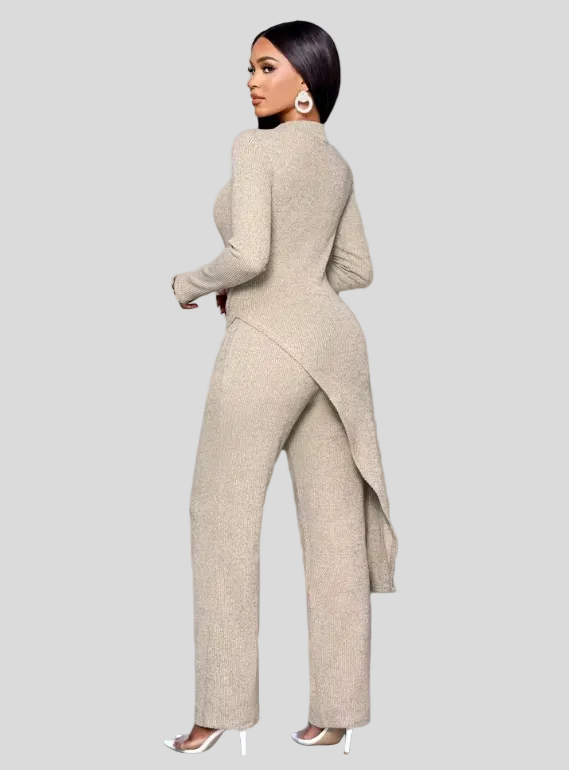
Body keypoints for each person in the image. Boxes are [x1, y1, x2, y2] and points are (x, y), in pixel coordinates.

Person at [164, 20, 398, 756]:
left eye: (267, 67)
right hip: (334, 349)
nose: (251, 81)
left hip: (266, 342)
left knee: (219, 514)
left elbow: (248, 254)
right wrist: (301, 290)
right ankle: (337, 716)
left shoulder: (253, 147)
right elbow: (356, 269)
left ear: (306, 81)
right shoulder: (337, 165)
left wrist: (189, 284)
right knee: (334, 531)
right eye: (249, 68)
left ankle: (220, 711)